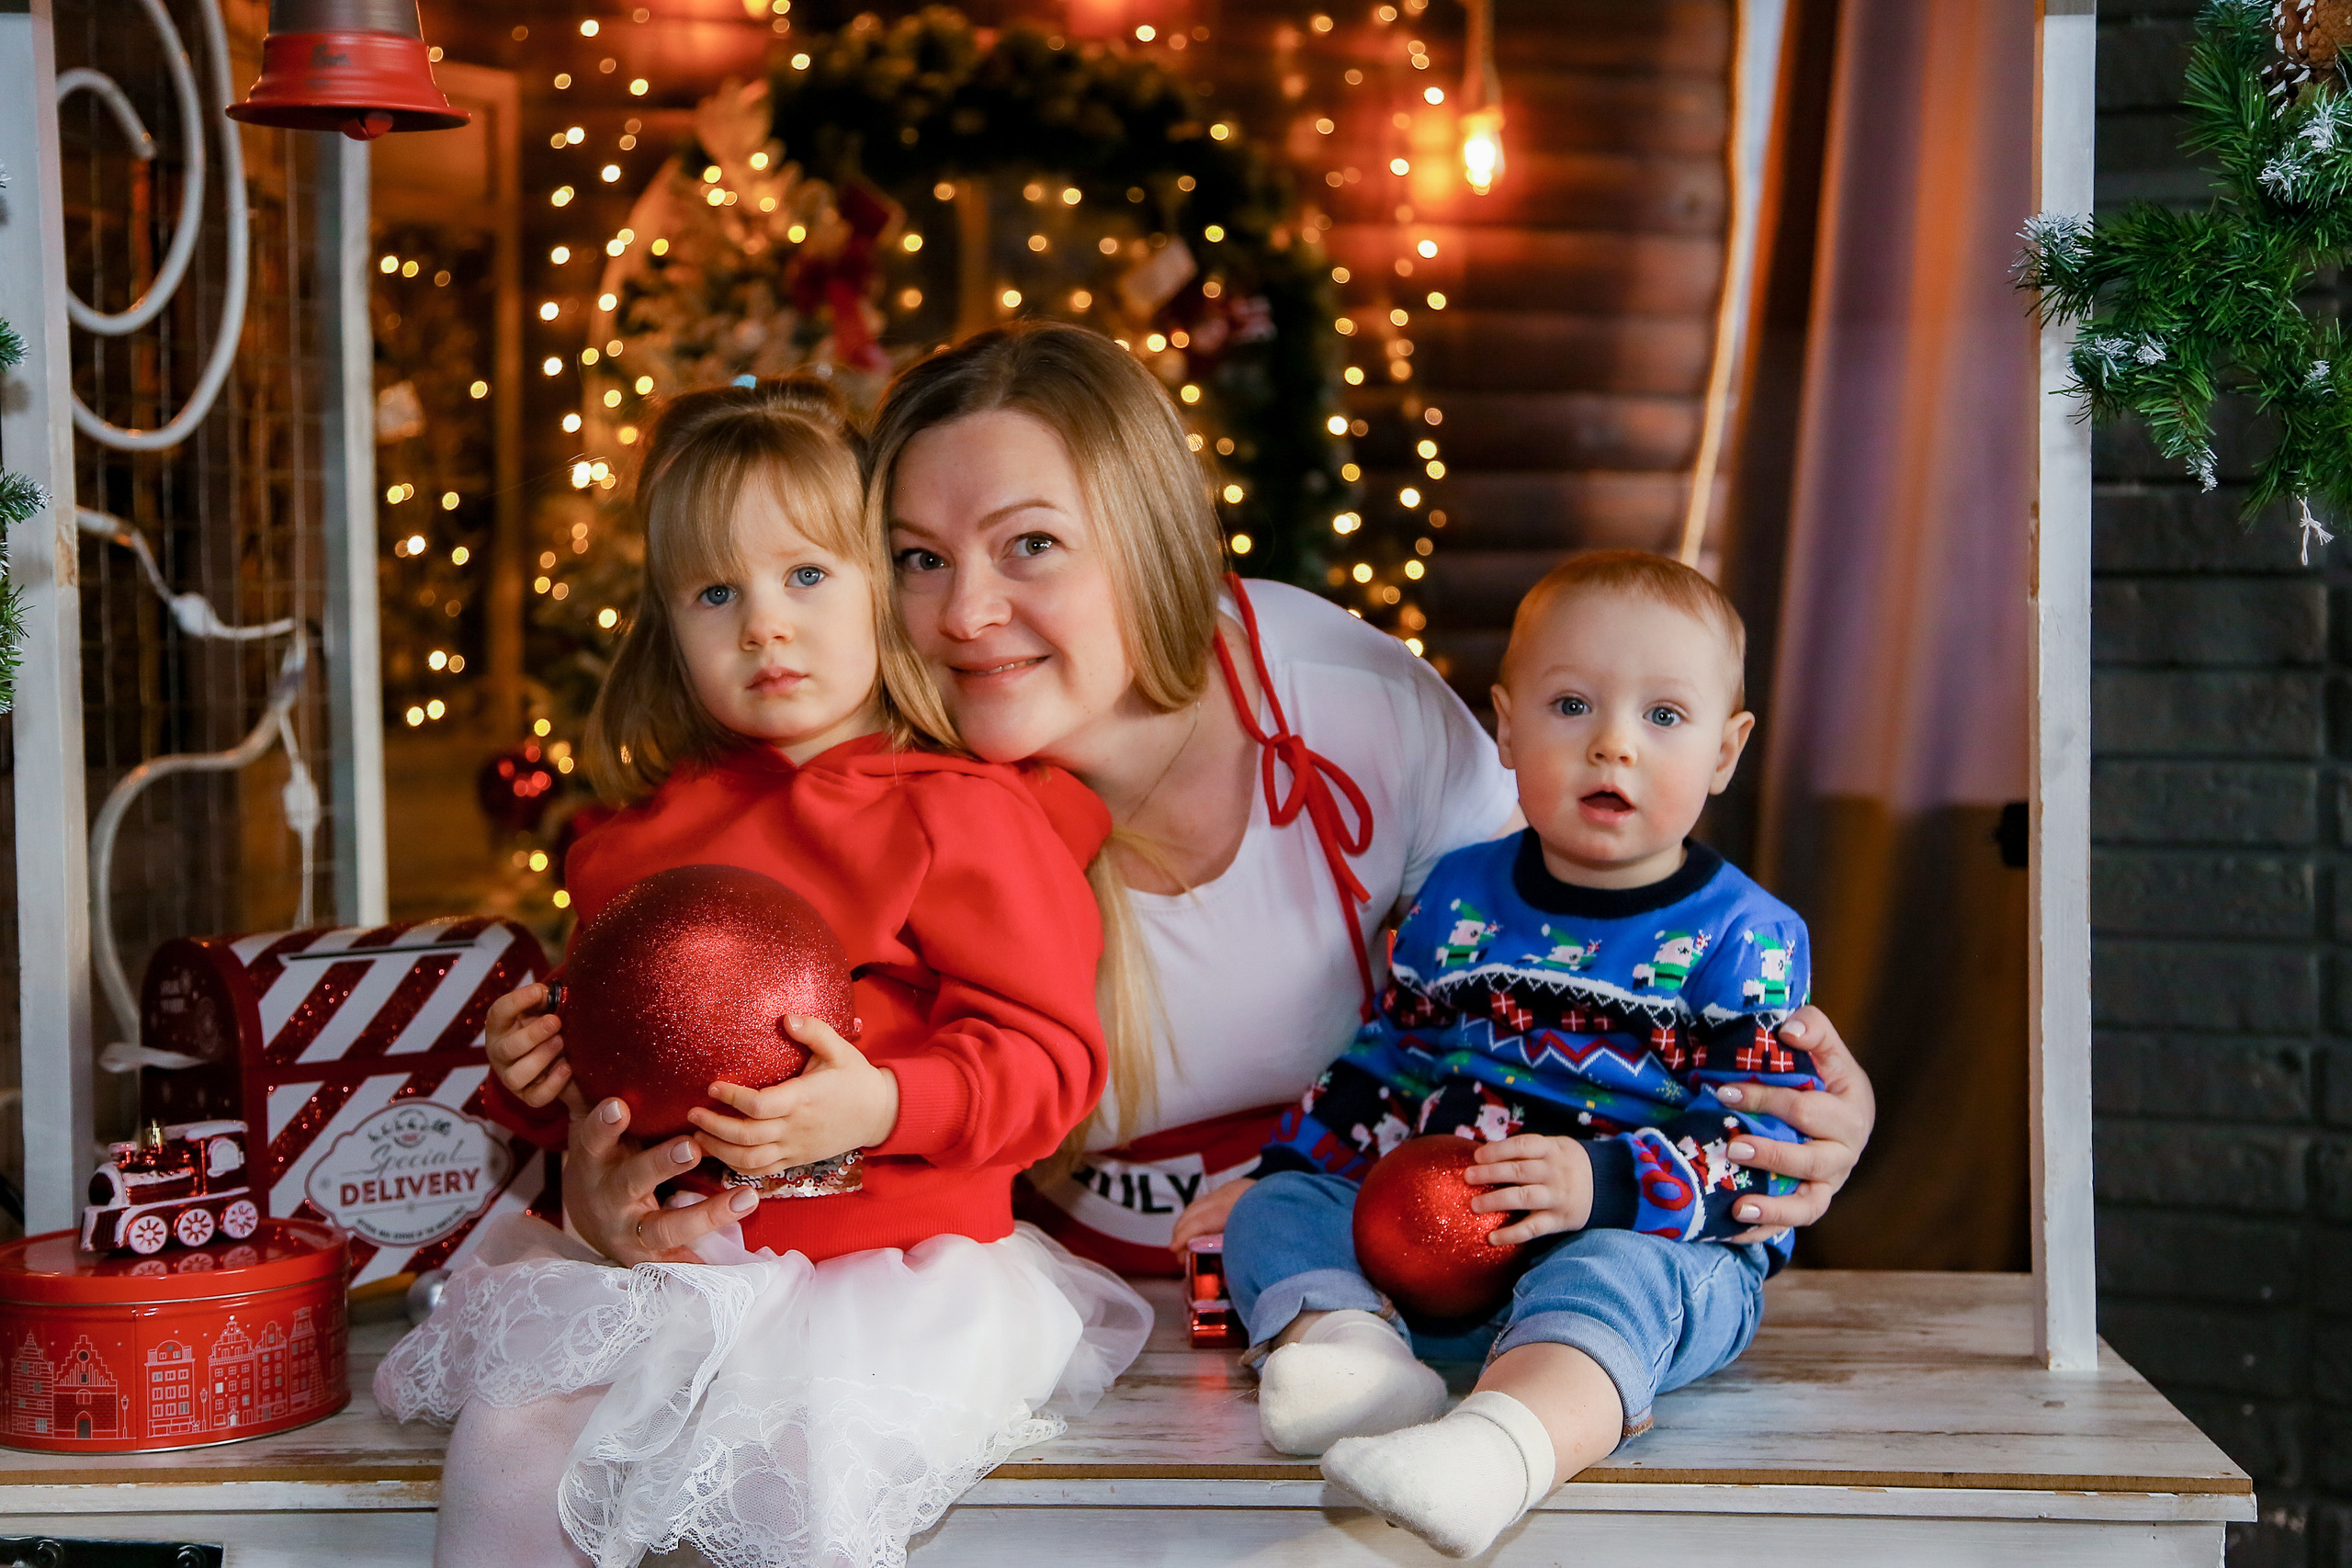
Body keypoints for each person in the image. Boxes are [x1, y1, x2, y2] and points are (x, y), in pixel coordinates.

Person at [560, 321, 1876, 1287]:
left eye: (1031, 543)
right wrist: (603, 1169)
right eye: (915, 557)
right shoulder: (853, 787)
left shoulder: (1340, 699)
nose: (964, 614)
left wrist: (1803, 1107)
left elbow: (1586, 944)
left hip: (1399, 1288)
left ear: (1147, 534)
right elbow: (735, 1068)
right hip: (1012, 1321)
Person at [375, 378, 1151, 1568]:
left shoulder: (965, 813)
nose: (764, 625)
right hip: (678, 1265)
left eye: (807, 575)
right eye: (715, 591)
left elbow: (1049, 1059)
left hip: (891, 1270)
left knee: (805, 1474)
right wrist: (543, 1080)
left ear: (883, 589)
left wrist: (884, 1100)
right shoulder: (635, 838)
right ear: (665, 622)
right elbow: (623, 1087)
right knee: (514, 1446)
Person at [1222, 551, 1811, 1558]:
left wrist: (1603, 1183)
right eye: (1572, 706)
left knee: (1616, 1271)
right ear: (1505, 726)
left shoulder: (1742, 937)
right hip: (1442, 1247)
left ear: (1725, 750)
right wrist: (1303, 1163)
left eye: (1663, 717)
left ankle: (1498, 1449)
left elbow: (1756, 1149)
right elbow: (1392, 1061)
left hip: (1660, 1251)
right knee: (1273, 1204)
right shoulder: (1458, 895)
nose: (1612, 748)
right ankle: (1353, 1358)